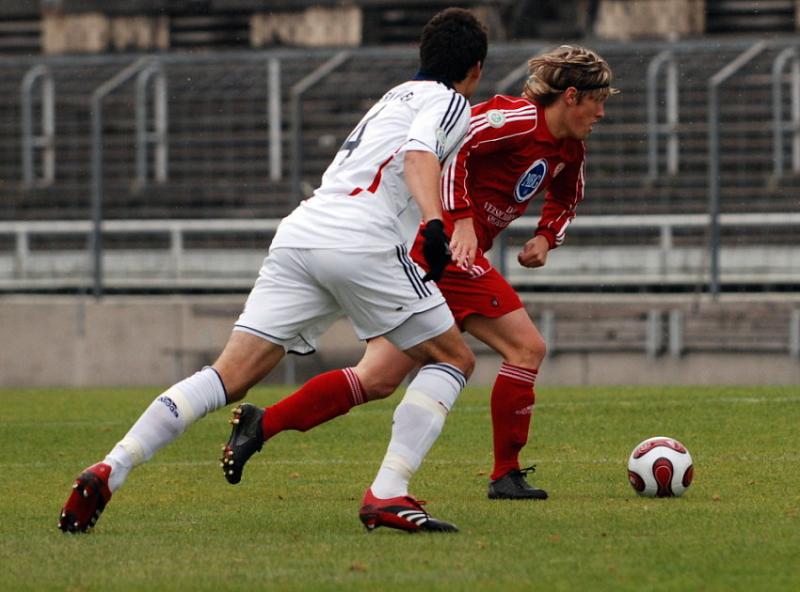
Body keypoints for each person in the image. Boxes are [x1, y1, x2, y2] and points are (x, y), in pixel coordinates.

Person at [59, 7, 488, 534]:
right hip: (362, 239)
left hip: (303, 230)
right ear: (476, 69)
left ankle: (112, 465)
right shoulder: (450, 102)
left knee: (227, 376)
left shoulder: (392, 97)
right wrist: (434, 222)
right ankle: (389, 493)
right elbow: (419, 156)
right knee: (454, 358)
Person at [226, 45, 617, 502]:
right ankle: (504, 475)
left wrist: (547, 237)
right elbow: (453, 153)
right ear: (571, 96)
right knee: (526, 348)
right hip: (442, 249)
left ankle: (262, 423)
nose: (602, 113)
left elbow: (566, 197)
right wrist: (463, 218)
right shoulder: (513, 119)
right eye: (599, 101)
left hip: (446, 257)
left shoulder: (569, 148)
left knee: (377, 379)